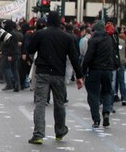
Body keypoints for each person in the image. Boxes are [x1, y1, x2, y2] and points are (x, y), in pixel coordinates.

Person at [26, 11, 83, 144]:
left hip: (43, 72)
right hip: (58, 73)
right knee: (59, 104)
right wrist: (79, 76)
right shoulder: (66, 37)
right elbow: (74, 58)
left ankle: (38, 134)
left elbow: (30, 49)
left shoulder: (40, 34)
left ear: (48, 21)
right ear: (59, 22)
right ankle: (60, 130)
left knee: (40, 103)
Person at [82, 21, 119, 128]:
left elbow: (88, 57)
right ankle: (106, 112)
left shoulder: (93, 40)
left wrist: (82, 72)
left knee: (93, 94)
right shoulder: (110, 39)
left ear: (95, 30)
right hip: (107, 69)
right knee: (107, 92)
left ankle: (96, 119)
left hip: (95, 70)